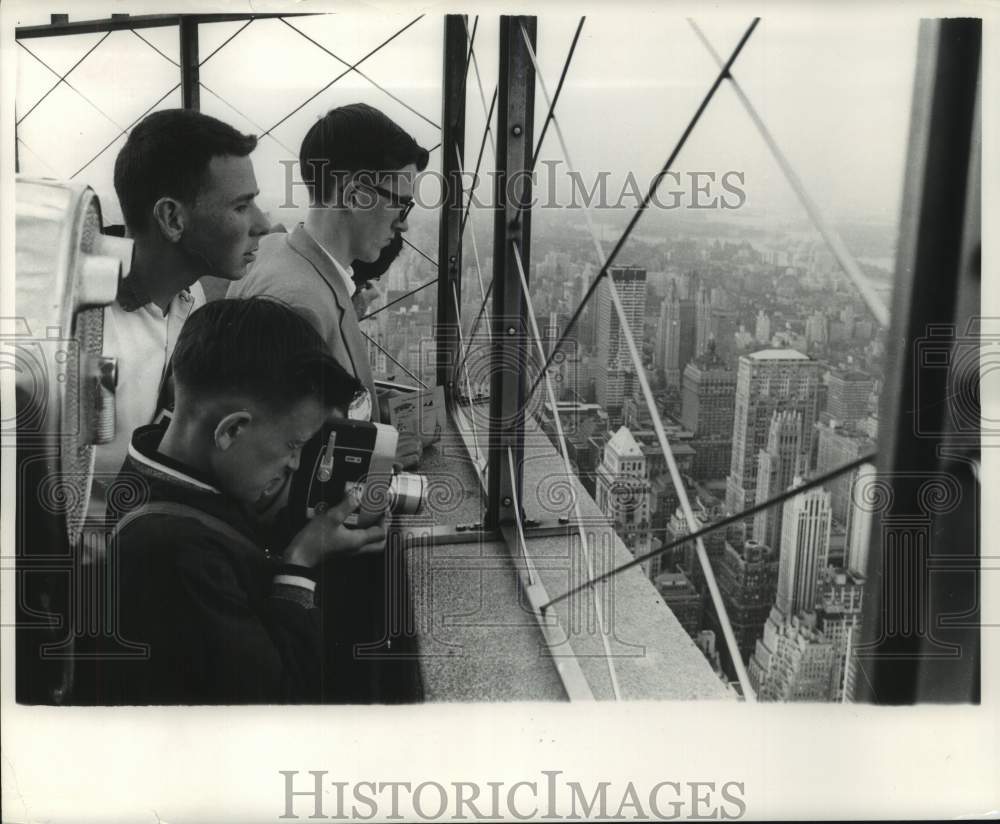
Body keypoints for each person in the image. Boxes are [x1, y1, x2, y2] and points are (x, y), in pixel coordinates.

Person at [83, 298, 385, 704]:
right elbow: (278, 699)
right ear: (230, 432)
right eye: (293, 444)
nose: (295, 463)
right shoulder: (176, 553)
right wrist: (299, 564)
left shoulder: (149, 471)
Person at [226, 103, 426, 469]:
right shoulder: (299, 303)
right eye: (401, 204)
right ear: (354, 194)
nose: (403, 225)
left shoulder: (279, 251)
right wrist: (376, 454)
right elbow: (271, 460)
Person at [91, 109, 270, 517]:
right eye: (242, 206)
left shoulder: (192, 297)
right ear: (172, 218)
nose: (261, 223)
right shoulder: (83, 323)